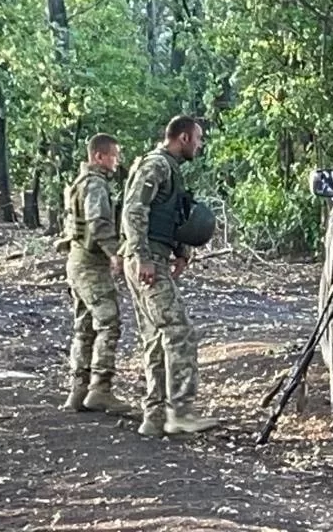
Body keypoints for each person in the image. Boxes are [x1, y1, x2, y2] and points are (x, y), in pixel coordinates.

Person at [121, 115, 218, 436]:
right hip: (147, 261)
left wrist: (182, 251)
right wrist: (142, 257)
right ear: (184, 138)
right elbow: (134, 210)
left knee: (156, 337)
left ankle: (155, 417)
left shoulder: (170, 169)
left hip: (155, 257)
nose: (201, 145)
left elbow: (170, 214)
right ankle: (181, 411)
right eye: (199, 138)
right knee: (179, 331)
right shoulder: (157, 166)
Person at [57, 133, 133, 416]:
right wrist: (115, 253)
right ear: (99, 157)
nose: (117, 161)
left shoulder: (79, 182)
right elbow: (98, 222)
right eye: (114, 155)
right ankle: (100, 389)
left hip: (77, 261)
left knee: (84, 326)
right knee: (108, 322)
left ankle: (79, 390)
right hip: (90, 264)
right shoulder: (95, 185)